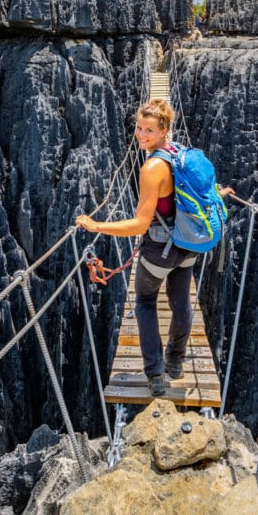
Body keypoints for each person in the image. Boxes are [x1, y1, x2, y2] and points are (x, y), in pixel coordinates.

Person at [75, 99, 234, 397]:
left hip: (160, 251)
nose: (142, 135)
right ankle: (175, 361)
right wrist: (220, 194)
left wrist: (97, 226)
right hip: (189, 246)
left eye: (149, 130)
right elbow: (198, 193)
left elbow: (139, 225)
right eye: (139, 128)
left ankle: (155, 375)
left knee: (146, 303)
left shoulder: (151, 168)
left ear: (164, 131)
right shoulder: (179, 154)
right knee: (181, 302)